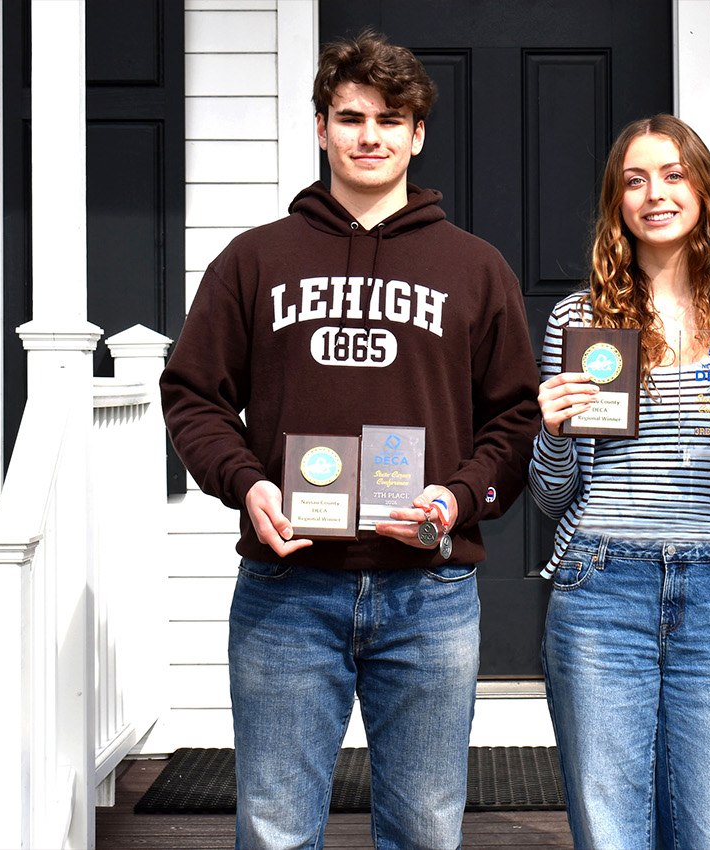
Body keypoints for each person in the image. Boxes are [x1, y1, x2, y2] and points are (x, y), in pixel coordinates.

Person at [159, 31, 540, 850]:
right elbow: (192, 395)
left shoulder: (475, 268)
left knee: (427, 829)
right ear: (322, 128)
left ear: (418, 135)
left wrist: (458, 497)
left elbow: (515, 416)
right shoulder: (253, 261)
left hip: (429, 591)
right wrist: (247, 483)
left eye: (390, 119)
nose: (371, 136)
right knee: (273, 828)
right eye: (352, 116)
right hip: (290, 587)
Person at [531, 114, 710, 849]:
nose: (655, 193)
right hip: (599, 582)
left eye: (673, 174)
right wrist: (551, 433)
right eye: (635, 179)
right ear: (617, 201)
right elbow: (553, 497)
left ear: (702, 188)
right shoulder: (580, 319)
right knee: (613, 831)